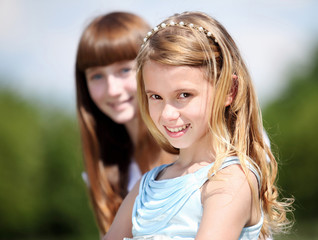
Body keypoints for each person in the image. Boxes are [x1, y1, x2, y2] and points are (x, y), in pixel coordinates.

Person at [103, 11, 293, 240]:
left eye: (184, 94)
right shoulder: (145, 187)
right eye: (155, 97)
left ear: (229, 91)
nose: (168, 114)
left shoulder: (231, 180)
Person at [75, 12, 174, 235]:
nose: (112, 90)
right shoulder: (102, 171)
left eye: (124, 70)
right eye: (97, 76)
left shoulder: (205, 143)